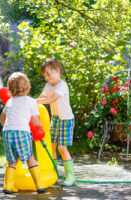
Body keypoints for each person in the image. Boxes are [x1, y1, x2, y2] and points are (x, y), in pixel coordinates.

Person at [0, 72, 47, 194]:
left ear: (10, 90)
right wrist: (40, 128)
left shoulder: (9, 102)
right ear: (28, 87)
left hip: (7, 133)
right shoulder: (31, 101)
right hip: (21, 133)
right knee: (30, 158)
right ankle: (39, 185)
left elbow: (2, 119)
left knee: (12, 161)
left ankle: (7, 186)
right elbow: (36, 121)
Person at [36, 58, 75, 186]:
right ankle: (54, 173)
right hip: (55, 118)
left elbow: (52, 99)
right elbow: (42, 98)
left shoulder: (62, 85)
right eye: (44, 75)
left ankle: (70, 176)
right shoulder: (48, 85)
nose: (47, 78)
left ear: (57, 71)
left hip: (66, 119)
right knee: (51, 146)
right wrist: (29, 101)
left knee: (61, 147)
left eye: (48, 74)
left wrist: (34, 102)